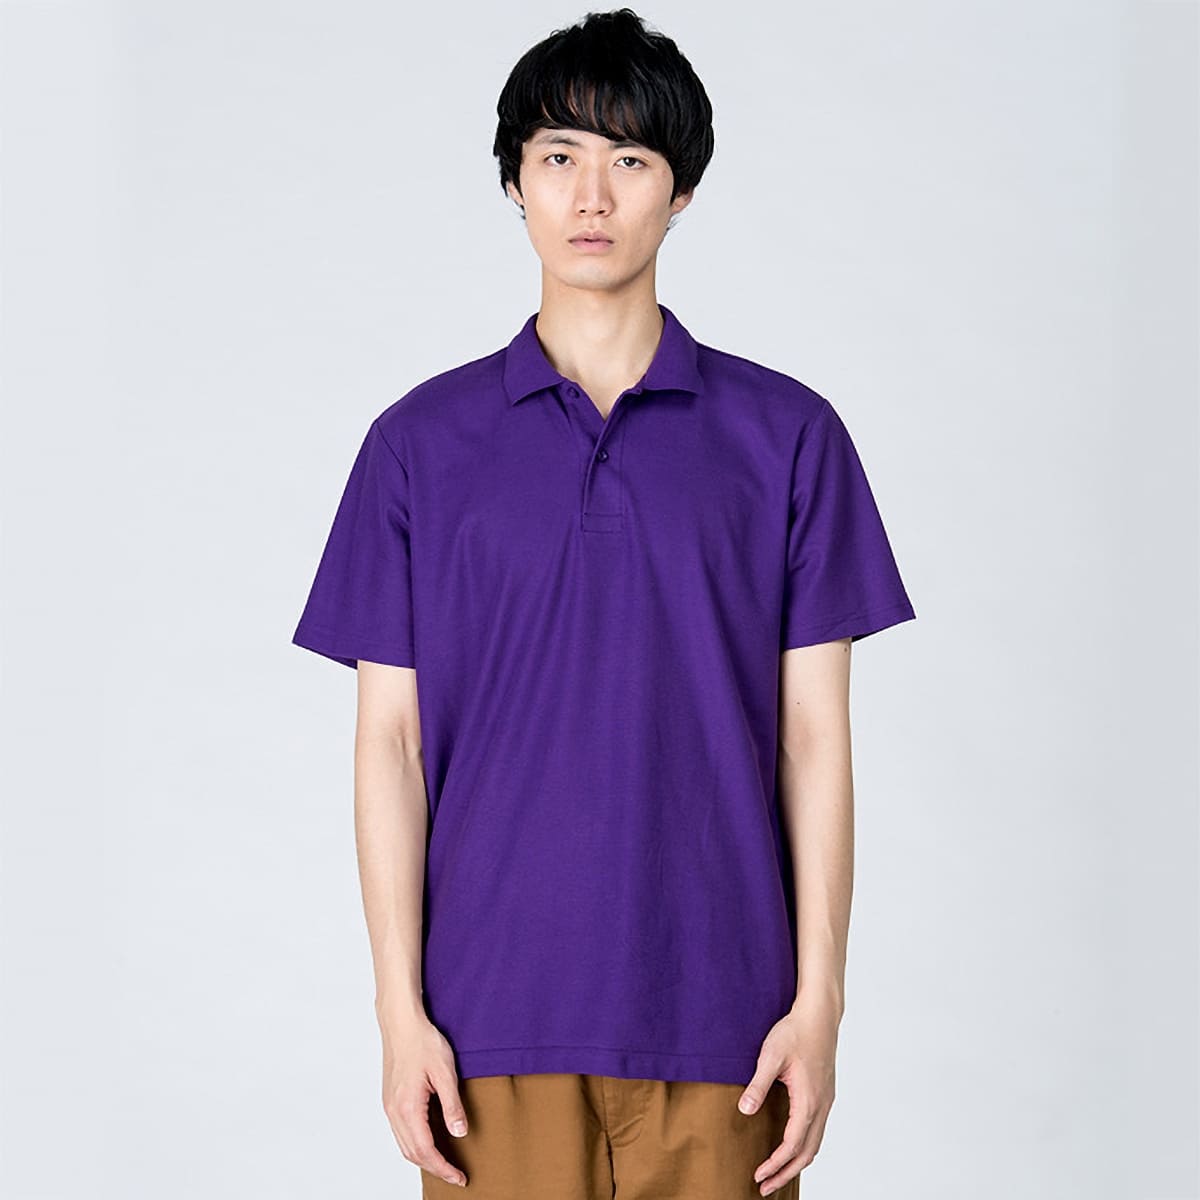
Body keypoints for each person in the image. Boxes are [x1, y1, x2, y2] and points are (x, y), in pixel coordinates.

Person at [291, 8, 916, 1198]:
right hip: (486, 1029)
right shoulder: (418, 447)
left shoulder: (788, 439)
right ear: (514, 183)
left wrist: (820, 1005)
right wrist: (398, 1015)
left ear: (682, 192)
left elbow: (814, 739)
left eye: (630, 159)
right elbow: (389, 745)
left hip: (729, 1026)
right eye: (558, 156)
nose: (591, 195)